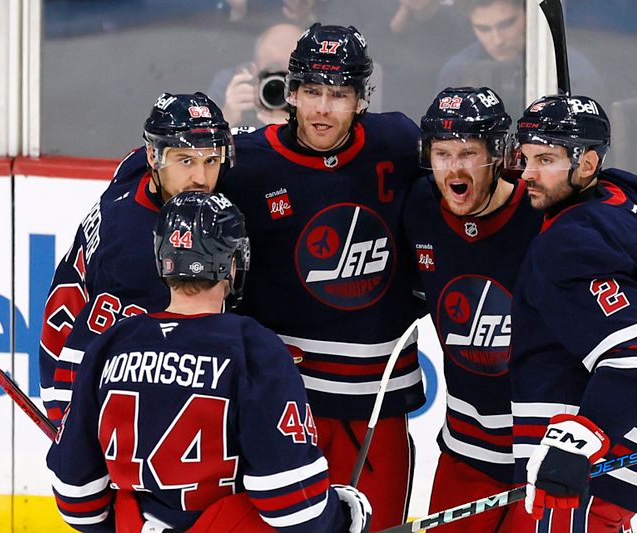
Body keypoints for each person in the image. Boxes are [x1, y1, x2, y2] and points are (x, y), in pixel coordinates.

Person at [46, 191, 373, 533]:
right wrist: (344, 516)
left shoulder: (110, 345)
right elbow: (292, 506)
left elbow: (76, 499)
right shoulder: (253, 348)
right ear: (232, 263)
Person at [221, 23, 425, 531]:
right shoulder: (245, 163)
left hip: (376, 405)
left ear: (362, 99)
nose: (321, 109)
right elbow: (155, 176)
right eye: (311, 90)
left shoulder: (398, 143)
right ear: (290, 92)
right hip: (284, 403)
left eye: (339, 94)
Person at [506, 94, 637, 532]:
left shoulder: (570, 244)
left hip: (585, 478)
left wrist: (574, 446)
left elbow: (634, 367)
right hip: (629, 455)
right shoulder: (627, 196)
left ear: (588, 164)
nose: (527, 174)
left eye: (546, 159)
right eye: (526, 157)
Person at [39, 92, 234, 425]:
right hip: (73, 382)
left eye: (211, 160)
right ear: (153, 157)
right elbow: (82, 361)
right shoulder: (141, 251)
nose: (201, 179)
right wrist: (76, 431)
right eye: (186, 161)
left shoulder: (134, 168)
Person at [402, 86, 542, 532]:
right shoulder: (420, 207)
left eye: (468, 153)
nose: (454, 168)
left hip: (542, 453)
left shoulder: (544, 209)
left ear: (499, 154)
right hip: (465, 453)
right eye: (442, 153)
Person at [436, 0, 606, 118]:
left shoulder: (571, 71)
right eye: (483, 29)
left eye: (507, 24)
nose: (498, 40)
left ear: (528, 15)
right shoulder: (456, 71)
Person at [207, 23, 304, 129]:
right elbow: (200, 141)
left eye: (292, 73)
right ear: (254, 70)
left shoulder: (319, 92)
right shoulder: (230, 84)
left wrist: (297, 128)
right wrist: (228, 117)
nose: (283, 86)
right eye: (273, 73)